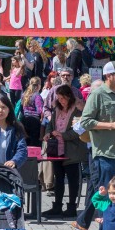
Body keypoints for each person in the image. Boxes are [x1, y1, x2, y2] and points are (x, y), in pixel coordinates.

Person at [71, 61, 115, 230]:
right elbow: (86, 121)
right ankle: (105, 229)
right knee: (105, 191)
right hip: (105, 152)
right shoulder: (97, 94)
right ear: (108, 76)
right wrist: (111, 125)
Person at [40, 85, 87, 218]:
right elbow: (51, 125)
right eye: (59, 98)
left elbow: (79, 130)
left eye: (63, 98)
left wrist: (63, 135)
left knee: (72, 179)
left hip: (72, 150)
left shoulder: (77, 111)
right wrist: (48, 133)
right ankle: (57, 206)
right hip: (57, 150)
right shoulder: (56, 109)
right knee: (58, 178)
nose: (61, 101)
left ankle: (72, 207)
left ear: (69, 97)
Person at [20, 76, 45, 147]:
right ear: (38, 85)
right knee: (35, 144)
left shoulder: (24, 95)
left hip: (24, 120)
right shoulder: (37, 96)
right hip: (34, 121)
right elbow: (40, 110)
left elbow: (22, 109)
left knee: (26, 143)